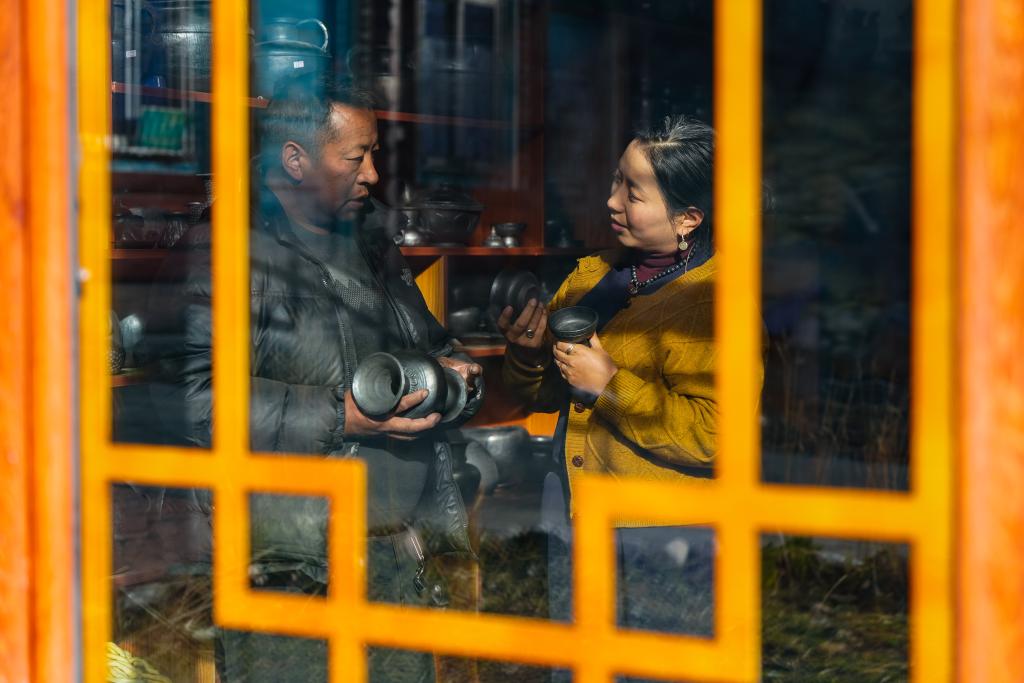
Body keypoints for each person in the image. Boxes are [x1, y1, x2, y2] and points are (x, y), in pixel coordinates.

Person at [157, 78, 483, 682]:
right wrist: (342, 416)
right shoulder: (229, 250)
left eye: (374, 154)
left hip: (392, 556)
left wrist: (454, 369)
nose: (373, 175)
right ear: (295, 159)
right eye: (357, 157)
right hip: (289, 572)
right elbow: (194, 402)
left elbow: (429, 342)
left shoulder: (372, 239)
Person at [500, 116, 759, 664]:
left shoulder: (715, 306)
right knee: (580, 665)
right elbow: (544, 396)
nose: (612, 201)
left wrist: (611, 387)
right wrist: (526, 353)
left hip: (659, 533)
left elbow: (717, 438)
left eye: (633, 193)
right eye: (616, 180)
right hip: (575, 510)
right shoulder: (591, 276)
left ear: (688, 218)